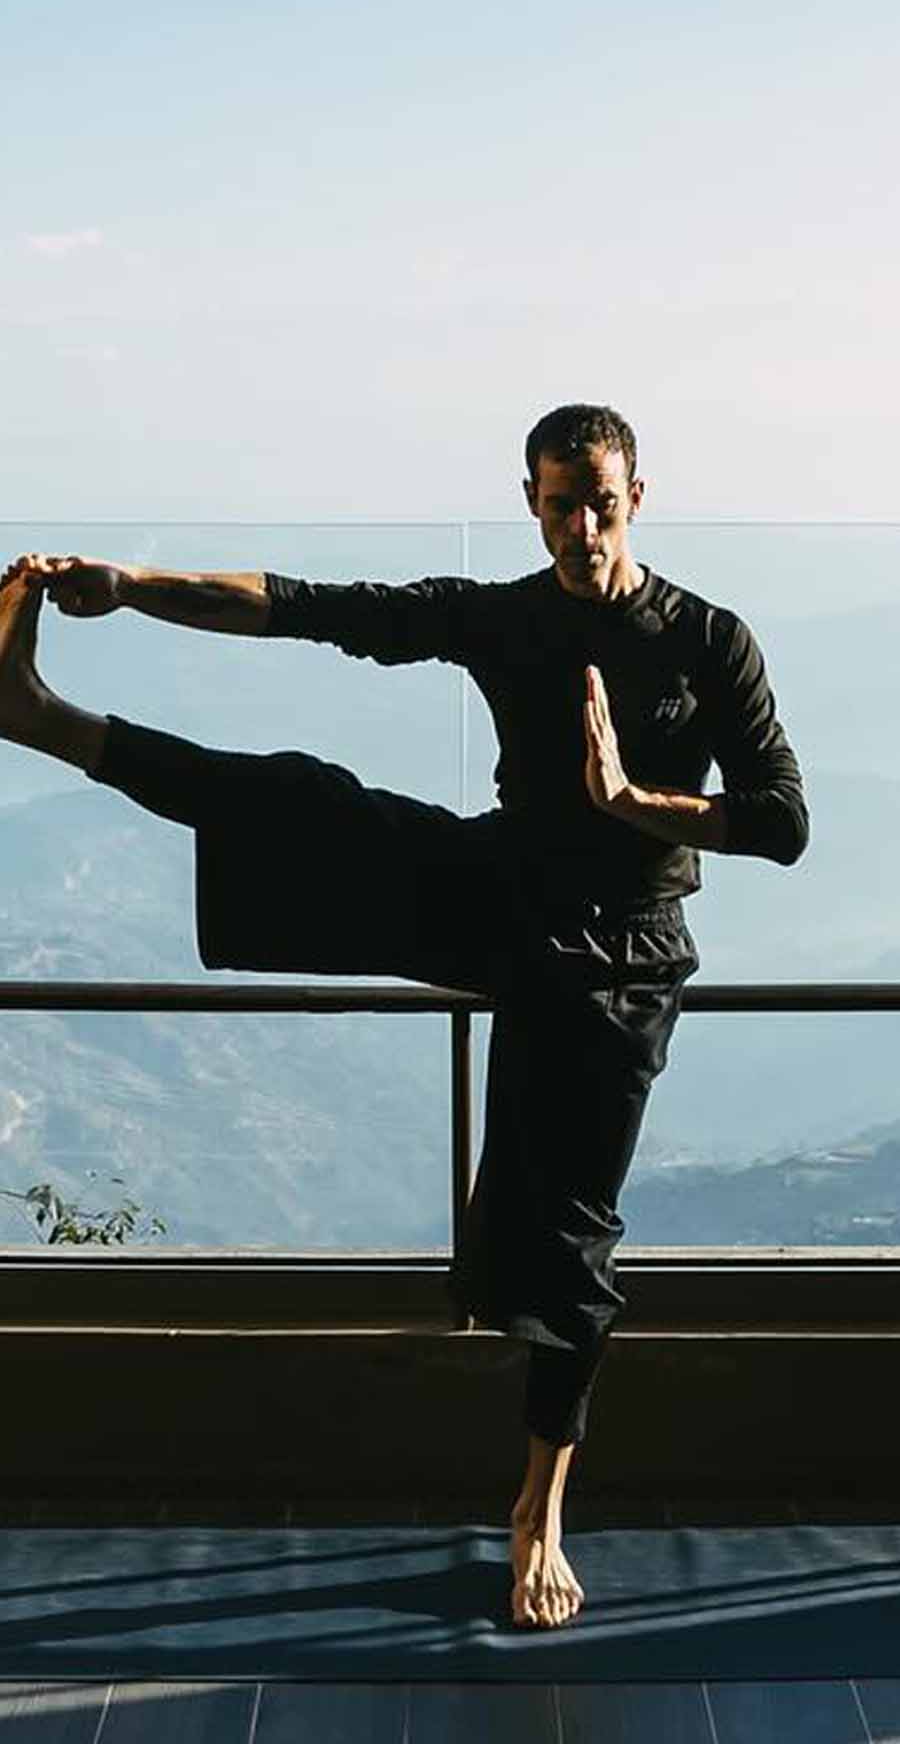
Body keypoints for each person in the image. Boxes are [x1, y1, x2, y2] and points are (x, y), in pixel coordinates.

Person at [0, 403, 808, 1630]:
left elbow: (785, 823)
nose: (580, 526)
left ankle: (537, 1511)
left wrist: (634, 799)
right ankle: (42, 718)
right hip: (498, 891)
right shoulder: (511, 615)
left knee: (570, 1236)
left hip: (622, 959)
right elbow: (313, 606)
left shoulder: (708, 641)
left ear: (640, 492)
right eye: (556, 503)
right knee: (303, 803)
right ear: (530, 503)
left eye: (599, 498)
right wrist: (134, 583)